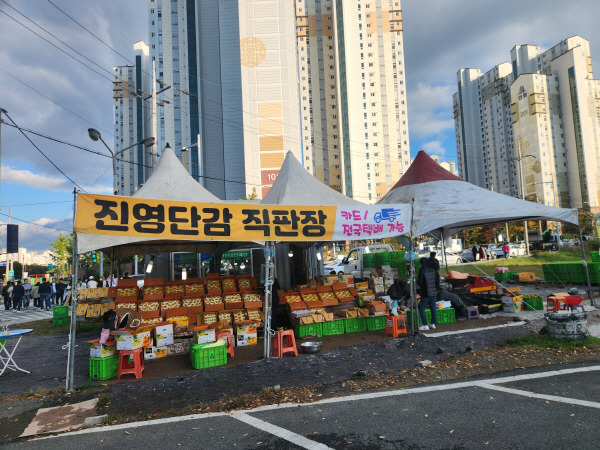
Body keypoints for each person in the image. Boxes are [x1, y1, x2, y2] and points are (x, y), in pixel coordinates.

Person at [417, 257, 439, 331]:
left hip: (425, 293)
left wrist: (417, 280)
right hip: (433, 292)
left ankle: (425, 324)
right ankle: (433, 324)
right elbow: (437, 281)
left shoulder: (422, 271)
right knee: (433, 308)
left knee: (421, 308)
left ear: (421, 264)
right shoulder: (433, 270)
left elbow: (420, 282)